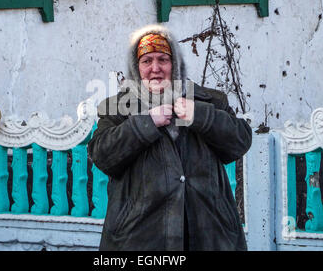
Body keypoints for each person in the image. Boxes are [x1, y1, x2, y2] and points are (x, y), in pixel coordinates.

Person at [88, 24, 252, 251]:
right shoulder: (118, 108)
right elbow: (102, 155)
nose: (155, 68)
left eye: (163, 59)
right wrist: (146, 123)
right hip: (141, 240)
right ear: (136, 68)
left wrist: (200, 115)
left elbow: (239, 142)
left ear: (175, 64)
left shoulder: (208, 101)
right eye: (147, 61)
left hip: (209, 236)